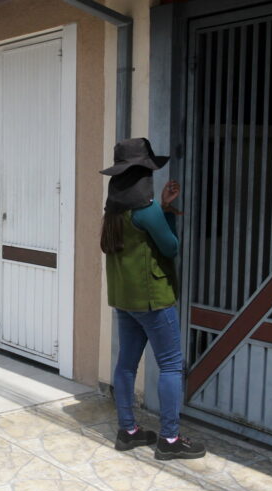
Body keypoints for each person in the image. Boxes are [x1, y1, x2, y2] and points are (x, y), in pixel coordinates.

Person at [99, 138, 206, 461]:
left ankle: (128, 431)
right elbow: (170, 247)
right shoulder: (146, 212)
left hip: (125, 301)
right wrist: (168, 211)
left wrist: (163, 205)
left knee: (126, 364)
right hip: (154, 300)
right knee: (172, 365)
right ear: (142, 175)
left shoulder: (113, 213)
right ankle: (169, 439)